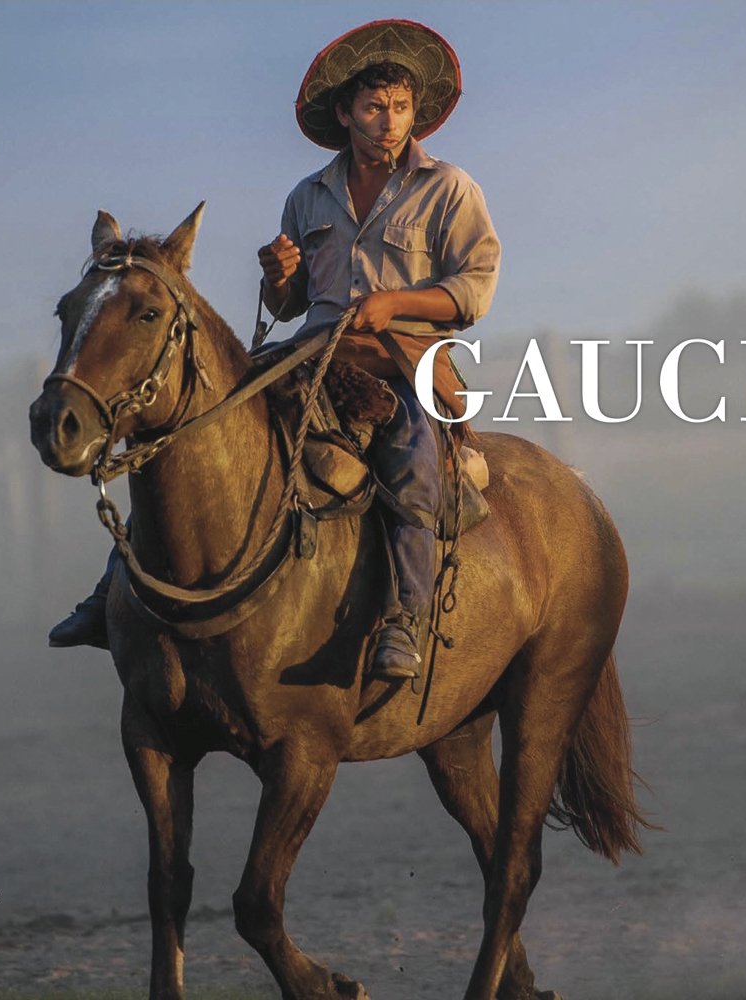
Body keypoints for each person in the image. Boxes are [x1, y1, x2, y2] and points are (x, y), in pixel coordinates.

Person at [50, 19, 500, 682]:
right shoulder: (307, 195)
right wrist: (278, 276)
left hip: (405, 359)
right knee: (187, 430)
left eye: (400, 109)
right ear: (345, 112)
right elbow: (289, 307)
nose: (389, 122)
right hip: (311, 350)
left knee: (410, 457)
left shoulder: (448, 188)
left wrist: (392, 305)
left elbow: (475, 286)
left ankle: (406, 614)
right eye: (374, 108)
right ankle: (112, 589)